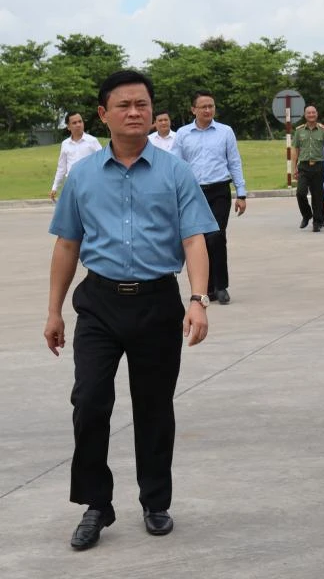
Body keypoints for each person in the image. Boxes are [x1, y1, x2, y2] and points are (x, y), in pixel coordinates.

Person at [43, 69, 219, 551]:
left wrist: (198, 299)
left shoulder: (174, 171)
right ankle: (96, 503)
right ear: (103, 115)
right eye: (124, 105)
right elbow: (67, 245)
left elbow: (194, 238)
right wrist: (54, 311)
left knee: (154, 407)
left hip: (158, 302)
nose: (135, 112)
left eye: (142, 104)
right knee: (90, 402)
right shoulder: (82, 175)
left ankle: (155, 501)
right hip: (98, 303)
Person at [171, 90, 247, 305]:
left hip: (219, 190)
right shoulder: (183, 134)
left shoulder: (225, 132)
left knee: (216, 235)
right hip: (193, 193)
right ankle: (207, 287)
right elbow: (176, 165)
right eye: (203, 106)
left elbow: (234, 162)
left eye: (211, 106)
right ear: (193, 109)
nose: (207, 110)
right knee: (200, 239)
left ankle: (221, 286)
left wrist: (241, 193)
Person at [291, 105, 324, 232]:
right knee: (300, 193)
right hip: (303, 166)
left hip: (319, 166)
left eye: (313, 112)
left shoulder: (323, 130)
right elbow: (295, 150)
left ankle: (317, 221)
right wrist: (294, 168)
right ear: (305, 115)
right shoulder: (299, 131)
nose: (311, 115)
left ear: (317, 114)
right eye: (308, 113)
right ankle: (307, 215)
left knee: (317, 196)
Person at [49, 112, 102, 202]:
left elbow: (102, 162)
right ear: (68, 127)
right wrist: (55, 187)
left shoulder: (92, 141)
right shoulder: (65, 144)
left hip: (90, 185)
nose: (78, 125)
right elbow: (62, 168)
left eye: (80, 122)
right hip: (72, 185)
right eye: (74, 123)